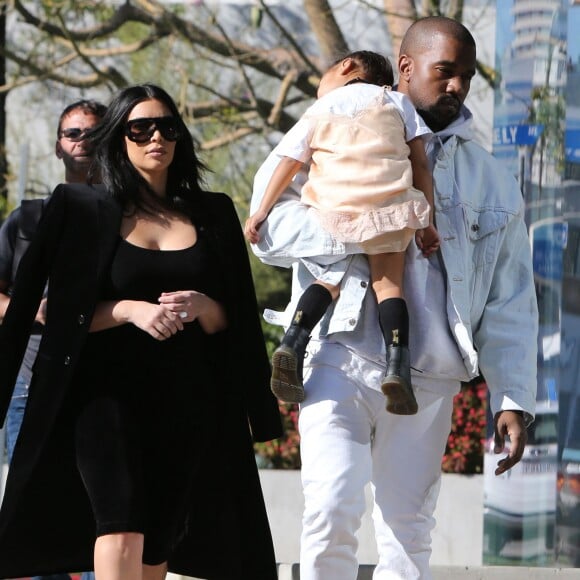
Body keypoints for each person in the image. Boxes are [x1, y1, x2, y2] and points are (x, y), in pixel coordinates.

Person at [250, 16, 538, 580]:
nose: (456, 85)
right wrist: (362, 226)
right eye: (445, 72)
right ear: (406, 68)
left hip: (426, 374)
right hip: (336, 353)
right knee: (330, 508)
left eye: (467, 76)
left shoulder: (491, 180)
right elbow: (266, 230)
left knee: (408, 531)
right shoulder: (335, 118)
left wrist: (512, 396)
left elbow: (511, 299)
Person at [0, 83, 282, 580]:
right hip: (101, 393)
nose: (157, 137)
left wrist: (203, 305)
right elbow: (57, 314)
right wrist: (128, 309)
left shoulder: (213, 213)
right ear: (118, 138)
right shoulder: (80, 209)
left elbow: (233, 319)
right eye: (141, 128)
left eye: (167, 127)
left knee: (158, 537)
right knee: (121, 521)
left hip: (187, 397)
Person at [245, 50, 439, 413]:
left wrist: (262, 210)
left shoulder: (321, 107)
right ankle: (398, 366)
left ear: (346, 67)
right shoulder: (398, 101)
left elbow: (291, 161)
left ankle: (295, 339)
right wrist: (427, 223)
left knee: (330, 275)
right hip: (390, 210)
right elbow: (421, 163)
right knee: (389, 285)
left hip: (333, 209)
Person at [0, 100, 106, 580]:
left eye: (92, 132)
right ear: (58, 145)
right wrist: (31, 310)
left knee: (101, 513)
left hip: (105, 388)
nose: (81, 139)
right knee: (38, 514)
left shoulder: (128, 217)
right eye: (72, 133)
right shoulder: (26, 220)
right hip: (32, 387)